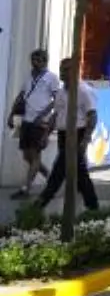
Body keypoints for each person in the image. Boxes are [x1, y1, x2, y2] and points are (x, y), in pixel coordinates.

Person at [35, 57, 99, 213]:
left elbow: (92, 116)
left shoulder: (84, 91)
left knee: (59, 171)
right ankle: (93, 207)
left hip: (77, 134)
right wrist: (45, 135)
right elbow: (55, 115)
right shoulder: (61, 92)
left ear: (75, 70)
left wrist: (85, 139)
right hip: (64, 135)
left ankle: (39, 205)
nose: (62, 73)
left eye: (66, 69)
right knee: (80, 174)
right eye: (61, 69)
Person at [7, 49, 59, 199]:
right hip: (27, 120)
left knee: (35, 155)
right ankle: (51, 178)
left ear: (44, 61)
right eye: (33, 60)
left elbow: (57, 100)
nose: (34, 63)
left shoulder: (51, 78)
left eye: (37, 60)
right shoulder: (29, 77)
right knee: (27, 156)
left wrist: (44, 114)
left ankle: (25, 188)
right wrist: (12, 114)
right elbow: (21, 96)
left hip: (40, 122)